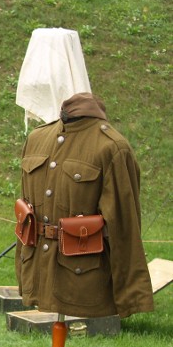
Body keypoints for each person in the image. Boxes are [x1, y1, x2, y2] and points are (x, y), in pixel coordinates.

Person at [14, 92, 153, 318]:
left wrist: (132, 296)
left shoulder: (112, 147)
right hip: (35, 270)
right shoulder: (37, 138)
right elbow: (25, 213)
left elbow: (124, 227)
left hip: (80, 278)